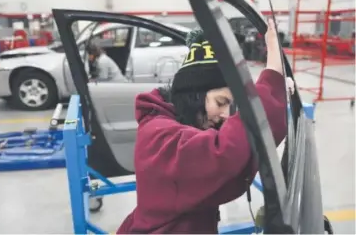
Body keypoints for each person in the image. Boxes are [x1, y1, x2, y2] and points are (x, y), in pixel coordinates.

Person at [116, 19, 291, 234]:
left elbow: (237, 159)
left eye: (232, 105)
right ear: (195, 96)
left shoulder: (179, 120)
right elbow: (224, 152)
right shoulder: (158, 137)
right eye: (221, 102)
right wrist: (272, 78)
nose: (227, 115)